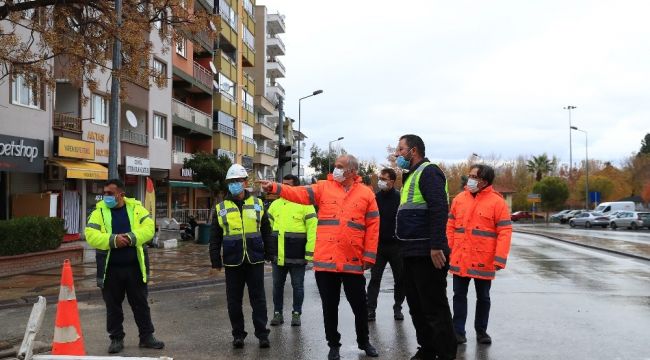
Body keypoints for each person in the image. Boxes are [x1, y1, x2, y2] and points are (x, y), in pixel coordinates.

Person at [259, 154, 380, 360]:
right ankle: (333, 345)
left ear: (352, 171)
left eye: (340, 166)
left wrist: (369, 256)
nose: (336, 170)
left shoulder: (366, 194)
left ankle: (364, 341)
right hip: (326, 262)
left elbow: (373, 226)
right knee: (329, 307)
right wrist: (275, 187)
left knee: (360, 306)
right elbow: (297, 193)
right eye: (335, 166)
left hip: (352, 261)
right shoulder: (323, 187)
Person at [394, 134, 457, 360]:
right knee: (417, 307)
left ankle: (447, 354)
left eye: (400, 149)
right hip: (410, 251)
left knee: (434, 308)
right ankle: (428, 350)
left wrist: (436, 245)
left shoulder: (429, 171)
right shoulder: (410, 175)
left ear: (413, 150)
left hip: (427, 253)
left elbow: (439, 208)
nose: (397, 153)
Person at [85, 179, 164, 354]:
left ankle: (147, 337)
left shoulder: (136, 209)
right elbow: (90, 234)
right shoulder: (98, 212)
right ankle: (116, 339)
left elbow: (149, 228)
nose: (106, 196)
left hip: (134, 267)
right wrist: (112, 240)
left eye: (110, 193)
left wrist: (130, 237)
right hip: (110, 269)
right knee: (113, 306)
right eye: (104, 193)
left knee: (141, 304)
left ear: (121, 194)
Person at [446, 164, 512, 345]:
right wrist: (449, 249)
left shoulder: (497, 202)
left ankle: (481, 331)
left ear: (484, 180)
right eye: (470, 175)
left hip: (484, 258)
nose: (470, 179)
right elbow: (451, 225)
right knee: (458, 296)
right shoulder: (459, 199)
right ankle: (458, 331)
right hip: (460, 257)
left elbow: (505, 231)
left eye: (473, 176)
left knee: (483, 297)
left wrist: (500, 258)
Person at [210, 164, 271, 349]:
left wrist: (270, 252)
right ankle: (238, 335)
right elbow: (215, 237)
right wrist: (215, 261)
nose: (234, 185)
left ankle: (262, 335)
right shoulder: (221, 208)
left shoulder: (258, 203)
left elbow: (267, 231)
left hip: (255, 259)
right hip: (232, 261)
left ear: (244, 182)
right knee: (233, 301)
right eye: (231, 182)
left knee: (258, 299)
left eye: (237, 181)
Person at [267, 174, 317, 327]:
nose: (284, 187)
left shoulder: (305, 204)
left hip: (298, 256)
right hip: (278, 256)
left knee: (298, 286)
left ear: (296, 186)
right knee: (277, 286)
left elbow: (312, 230)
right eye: (283, 184)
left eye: (288, 185)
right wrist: (269, 251)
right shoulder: (274, 205)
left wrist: (309, 253)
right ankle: (277, 313)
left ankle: (296, 313)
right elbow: (268, 228)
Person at [366, 168, 405, 322]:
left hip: (396, 246)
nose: (380, 181)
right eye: (380, 178)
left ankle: (398, 308)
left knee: (400, 279)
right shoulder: (375, 198)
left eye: (384, 178)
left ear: (392, 181)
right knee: (375, 279)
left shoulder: (400, 198)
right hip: (379, 246)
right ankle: (370, 309)